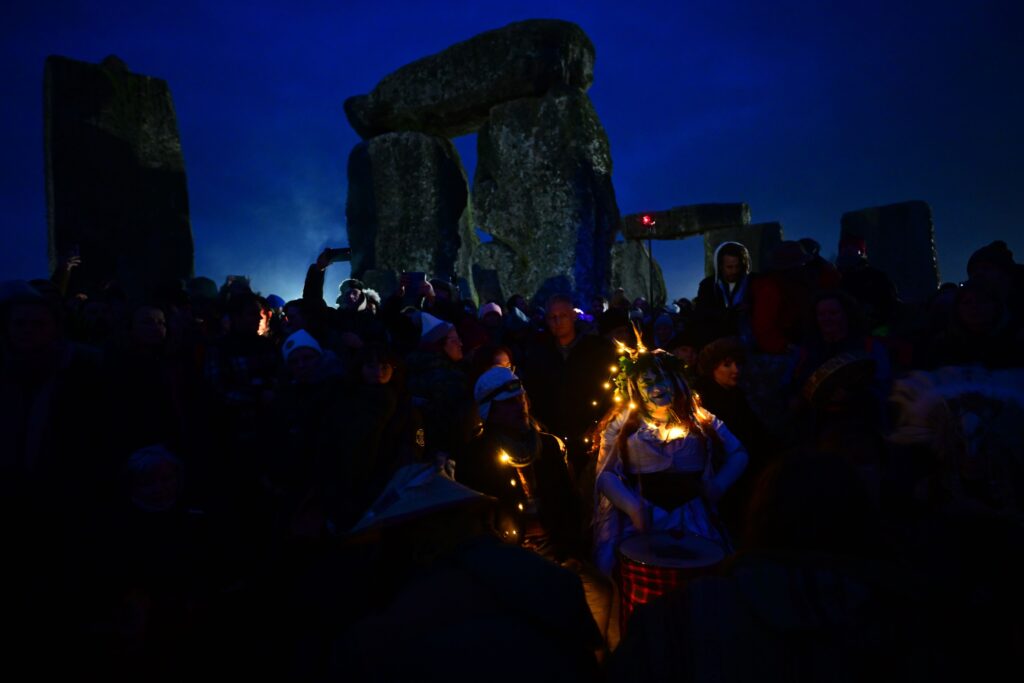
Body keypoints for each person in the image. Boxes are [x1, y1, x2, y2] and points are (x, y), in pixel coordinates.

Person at [593, 331, 748, 576]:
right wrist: (633, 507)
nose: (656, 387)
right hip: (644, 518)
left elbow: (738, 452)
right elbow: (605, 475)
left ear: (676, 381)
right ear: (635, 387)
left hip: (692, 515)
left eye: (662, 379)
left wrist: (718, 485)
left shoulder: (701, 419)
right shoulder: (622, 425)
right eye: (647, 381)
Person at [694, 241, 752, 339]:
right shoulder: (707, 286)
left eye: (737, 266)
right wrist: (727, 314)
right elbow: (701, 315)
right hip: (718, 341)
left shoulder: (753, 283)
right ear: (720, 266)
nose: (734, 271)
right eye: (729, 267)